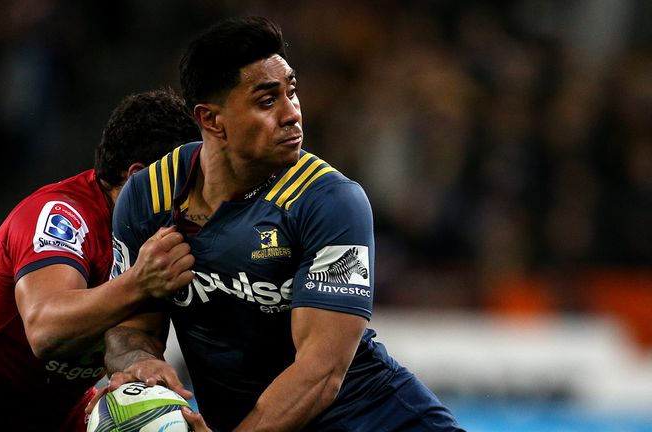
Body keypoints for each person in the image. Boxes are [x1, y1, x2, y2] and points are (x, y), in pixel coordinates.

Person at [106, 16, 465, 432]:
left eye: (292, 93)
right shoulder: (148, 198)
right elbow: (129, 330)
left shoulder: (332, 202)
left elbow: (321, 372)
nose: (292, 114)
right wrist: (140, 363)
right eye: (266, 100)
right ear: (211, 120)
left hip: (377, 420)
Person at [0, 88, 201, 431]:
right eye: (184, 184)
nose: (193, 200)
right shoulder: (62, 215)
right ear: (138, 178)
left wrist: (138, 368)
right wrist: (138, 281)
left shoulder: (150, 241)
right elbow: (45, 328)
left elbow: (122, 341)